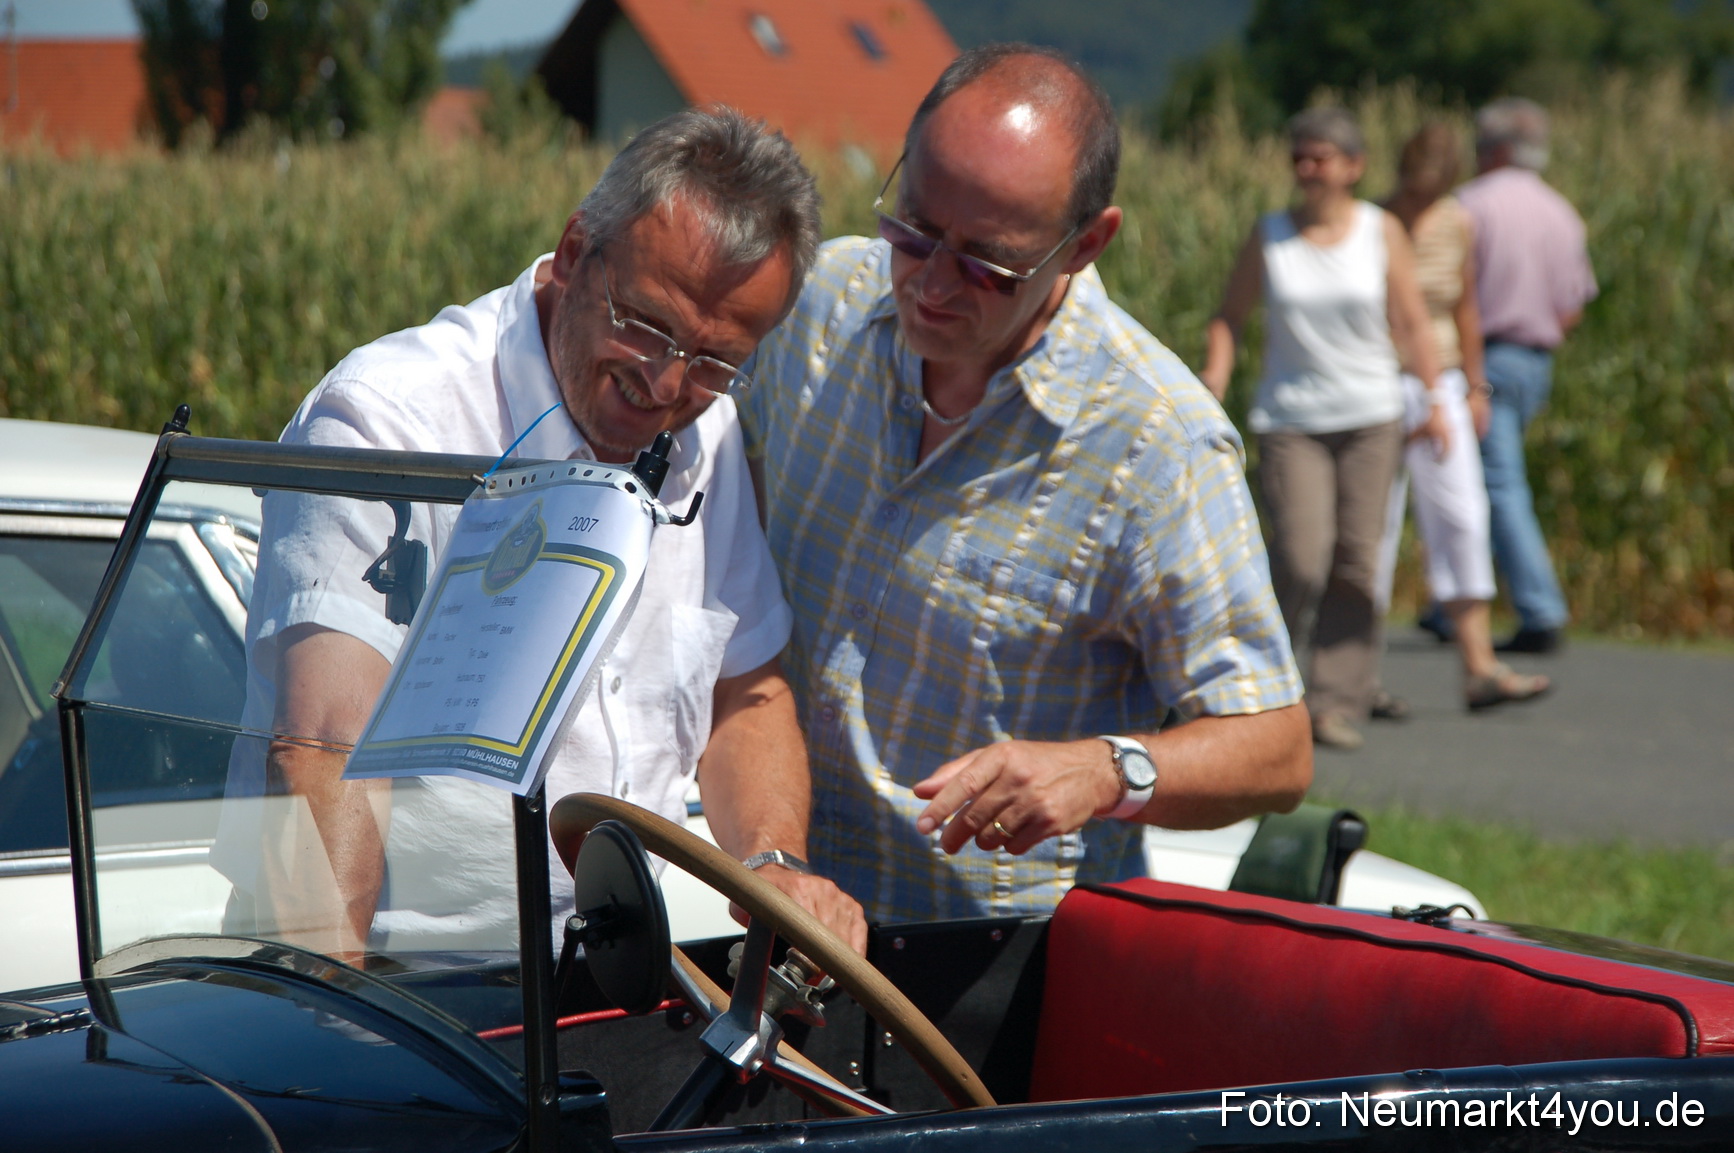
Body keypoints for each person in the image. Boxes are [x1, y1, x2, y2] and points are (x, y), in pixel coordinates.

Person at [216, 107, 866, 956]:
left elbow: (745, 688)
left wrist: (775, 865)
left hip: (611, 975)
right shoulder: (386, 419)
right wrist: (331, 1018)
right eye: (645, 324)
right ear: (572, 253)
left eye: (713, 360)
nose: (666, 383)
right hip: (405, 983)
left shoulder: (705, 431)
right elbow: (321, 751)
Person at [739, 44, 1311, 925]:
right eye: (914, 227)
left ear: (1085, 244)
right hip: (779, 917)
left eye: (987, 264)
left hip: (992, 970)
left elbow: (1275, 749)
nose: (930, 281)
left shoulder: (1156, 444)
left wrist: (1106, 770)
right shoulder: (819, 307)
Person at [1202, 106, 1449, 752]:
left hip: (1371, 413)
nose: (1307, 169)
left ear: (1353, 167)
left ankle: (1335, 700)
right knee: (1300, 556)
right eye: (1298, 158)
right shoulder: (1271, 235)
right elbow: (1229, 315)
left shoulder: (1379, 230)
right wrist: (1212, 385)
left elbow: (1413, 319)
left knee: (1357, 561)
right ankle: (1261, 690)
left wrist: (1438, 397)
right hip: (1292, 418)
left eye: (1320, 158)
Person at [1374, 123, 1550, 710]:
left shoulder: (1457, 223)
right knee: (1374, 529)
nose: (1423, 204)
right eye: (1414, 190)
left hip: (1444, 376)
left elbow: (1467, 305)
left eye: (1433, 191)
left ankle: (1478, 664)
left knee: (1465, 516)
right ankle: (1358, 672)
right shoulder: (1373, 222)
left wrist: (1475, 388)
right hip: (1378, 378)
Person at [1456, 98, 1597, 655]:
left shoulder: (1470, 206)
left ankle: (1538, 608)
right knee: (1488, 479)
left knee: (1496, 482)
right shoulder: (1561, 211)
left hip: (1486, 360)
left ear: (1493, 150)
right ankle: (1456, 606)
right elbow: (1574, 305)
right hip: (1536, 360)